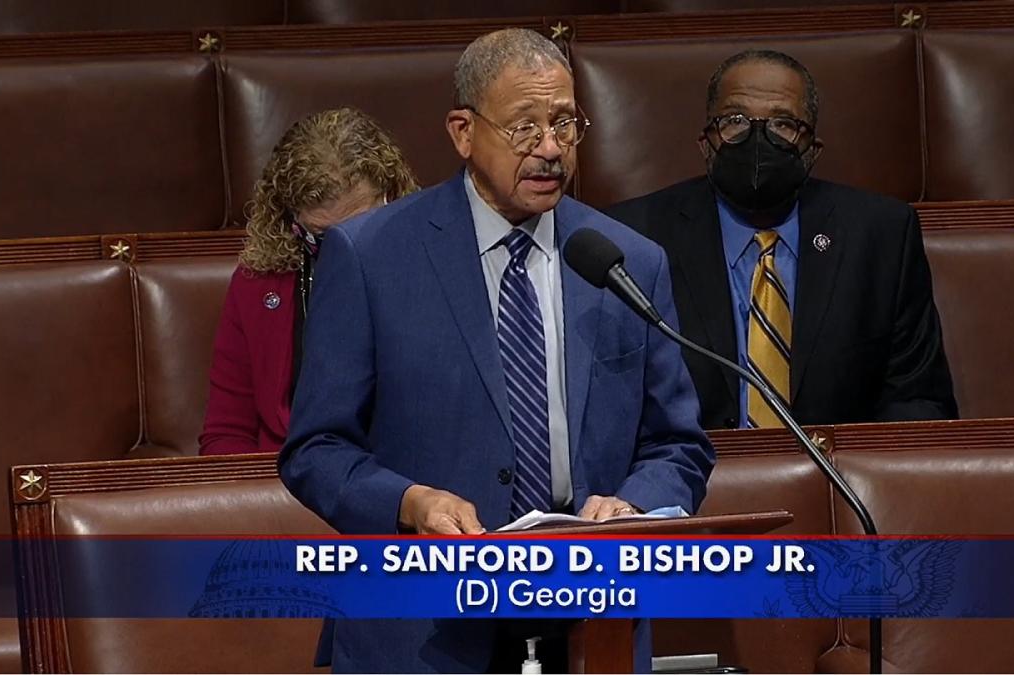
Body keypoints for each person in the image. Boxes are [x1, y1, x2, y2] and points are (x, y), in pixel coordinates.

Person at [279, 29, 714, 673]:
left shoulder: (626, 262)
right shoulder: (370, 258)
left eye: (565, 125)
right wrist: (409, 502)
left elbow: (678, 445)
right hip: (421, 627)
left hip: (591, 623)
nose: (550, 150)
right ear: (462, 131)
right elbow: (316, 450)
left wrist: (636, 504)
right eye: (524, 128)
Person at [606, 50, 958, 429]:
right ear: (706, 142)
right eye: (735, 121)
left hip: (838, 478)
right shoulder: (636, 236)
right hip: (688, 479)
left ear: (812, 151)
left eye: (783, 124)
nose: (757, 139)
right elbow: (613, 402)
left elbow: (917, 399)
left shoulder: (880, 236)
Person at [199, 108, 419, 455]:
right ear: (291, 221)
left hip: (406, 490)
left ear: (393, 196)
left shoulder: (434, 267)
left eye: (363, 229)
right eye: (322, 238)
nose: (346, 252)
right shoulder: (257, 283)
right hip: (288, 491)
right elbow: (227, 434)